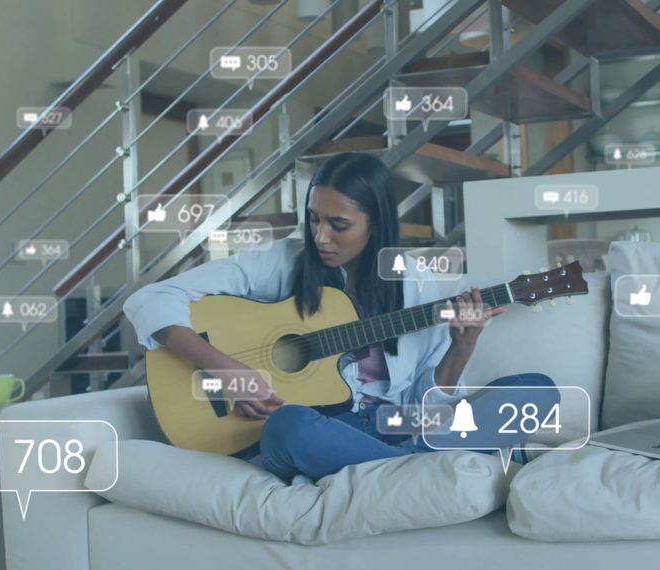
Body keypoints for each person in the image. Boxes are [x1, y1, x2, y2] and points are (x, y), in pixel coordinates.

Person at [124, 152, 558, 483]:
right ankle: (435, 470)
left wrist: (462, 347)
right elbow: (152, 298)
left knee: (538, 390)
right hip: (325, 428)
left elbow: (426, 405)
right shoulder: (285, 263)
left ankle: (410, 470)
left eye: (338, 224)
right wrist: (224, 368)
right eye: (313, 219)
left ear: (376, 224)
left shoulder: (413, 282)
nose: (320, 237)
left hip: (399, 424)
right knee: (289, 427)